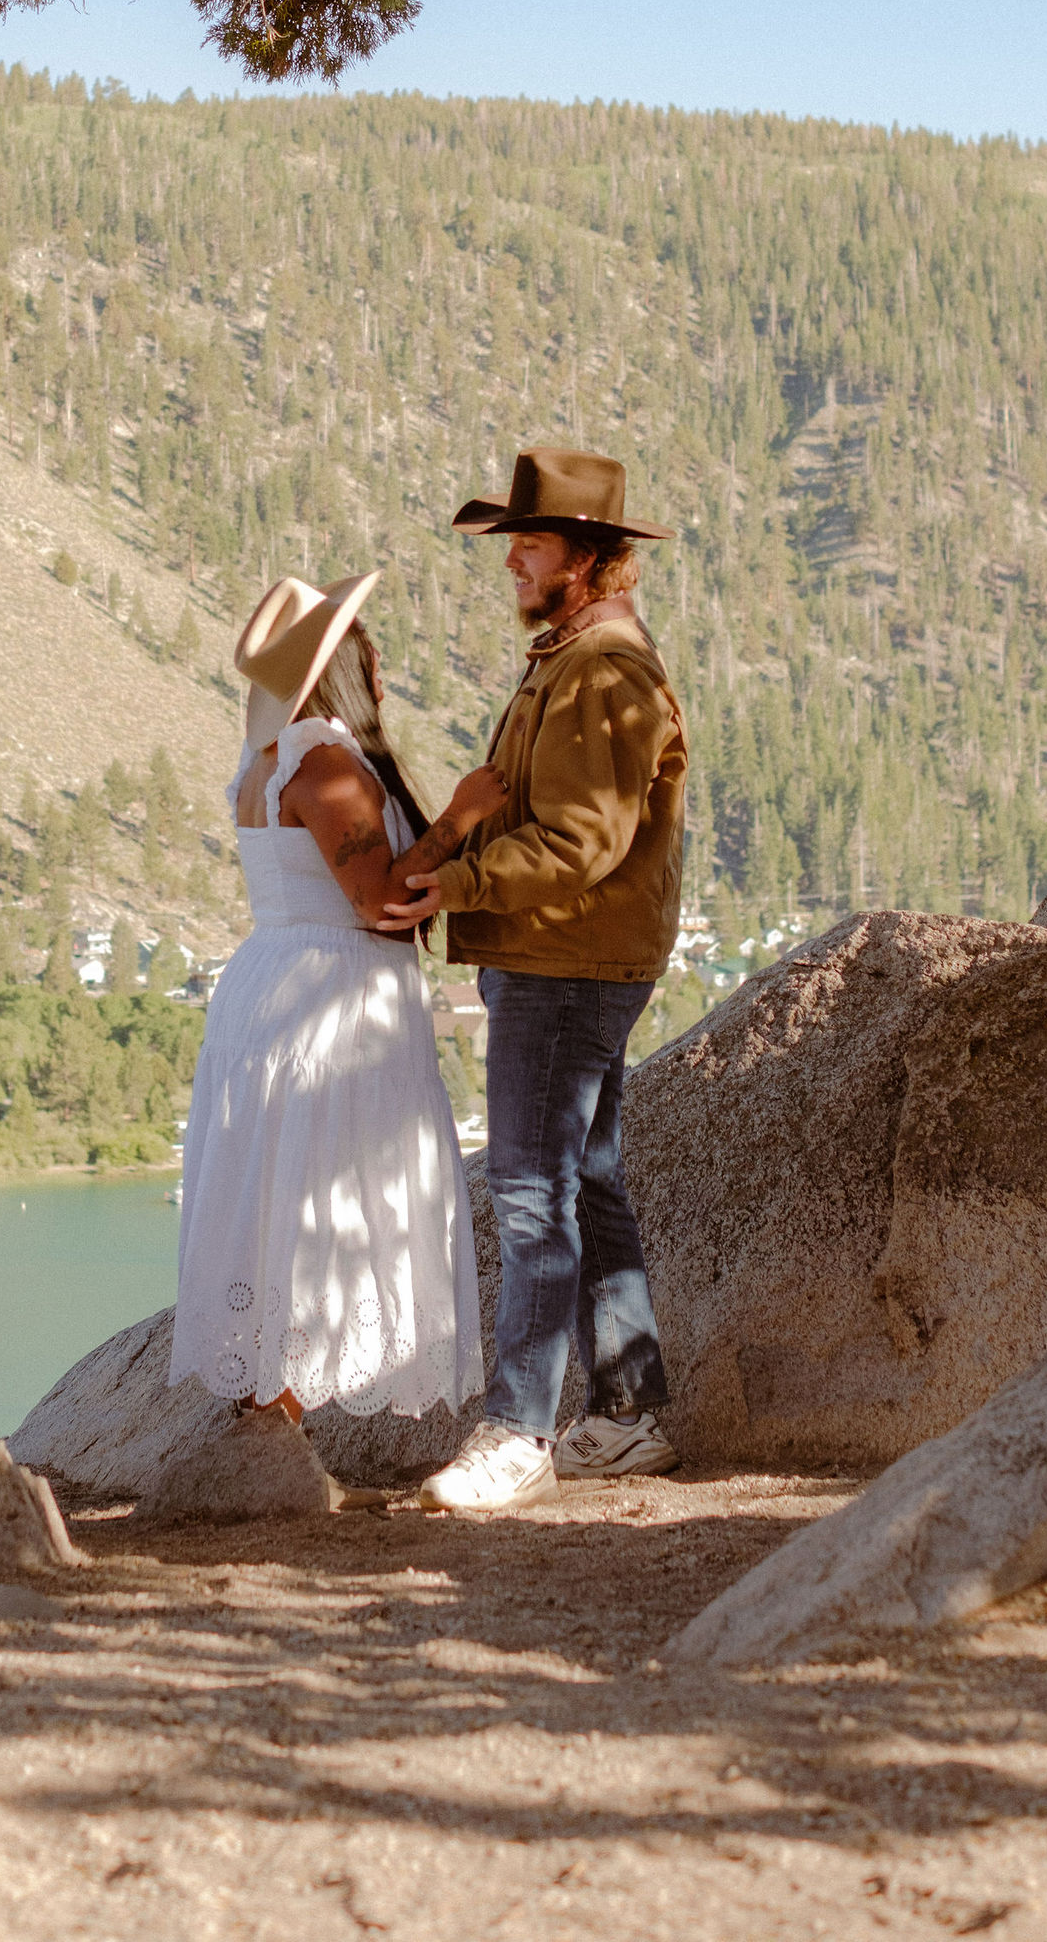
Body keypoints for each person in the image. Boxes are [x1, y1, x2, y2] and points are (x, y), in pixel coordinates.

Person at [388, 447, 688, 1513]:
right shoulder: (574, 657)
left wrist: (455, 886)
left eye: (530, 539)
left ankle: (517, 1431)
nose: (510, 557)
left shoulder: (601, 671)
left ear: (586, 555)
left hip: (564, 958)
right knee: (585, 1183)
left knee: (528, 1196)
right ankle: (627, 1415)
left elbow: (581, 842)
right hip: (564, 955)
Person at [168, 571, 503, 1466]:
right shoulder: (323, 763)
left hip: (276, 988)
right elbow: (381, 903)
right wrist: (464, 816)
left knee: (274, 1193)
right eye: (366, 643)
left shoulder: (272, 759)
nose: (381, 658)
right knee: (317, 1194)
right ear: (340, 667)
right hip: (329, 1004)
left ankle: (267, 1429)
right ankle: (276, 1431)